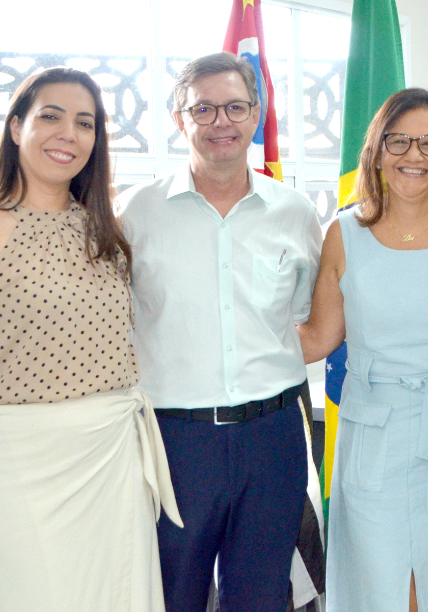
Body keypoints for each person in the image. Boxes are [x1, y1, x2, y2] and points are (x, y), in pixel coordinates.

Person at [0, 67, 181, 612]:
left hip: (113, 463)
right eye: (51, 117)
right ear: (16, 128)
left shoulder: (110, 232)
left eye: (85, 123)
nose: (69, 134)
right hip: (20, 472)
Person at [116, 52, 322, 612]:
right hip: (176, 442)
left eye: (234, 106)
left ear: (256, 114)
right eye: (202, 109)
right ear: (179, 119)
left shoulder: (296, 212)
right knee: (172, 593)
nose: (220, 121)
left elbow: (300, 318)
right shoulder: (134, 214)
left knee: (259, 596)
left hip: (272, 436)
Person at [297, 88, 428, 612]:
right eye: (399, 141)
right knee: (380, 582)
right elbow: (318, 339)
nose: (414, 156)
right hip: (374, 428)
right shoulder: (343, 233)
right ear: (376, 150)